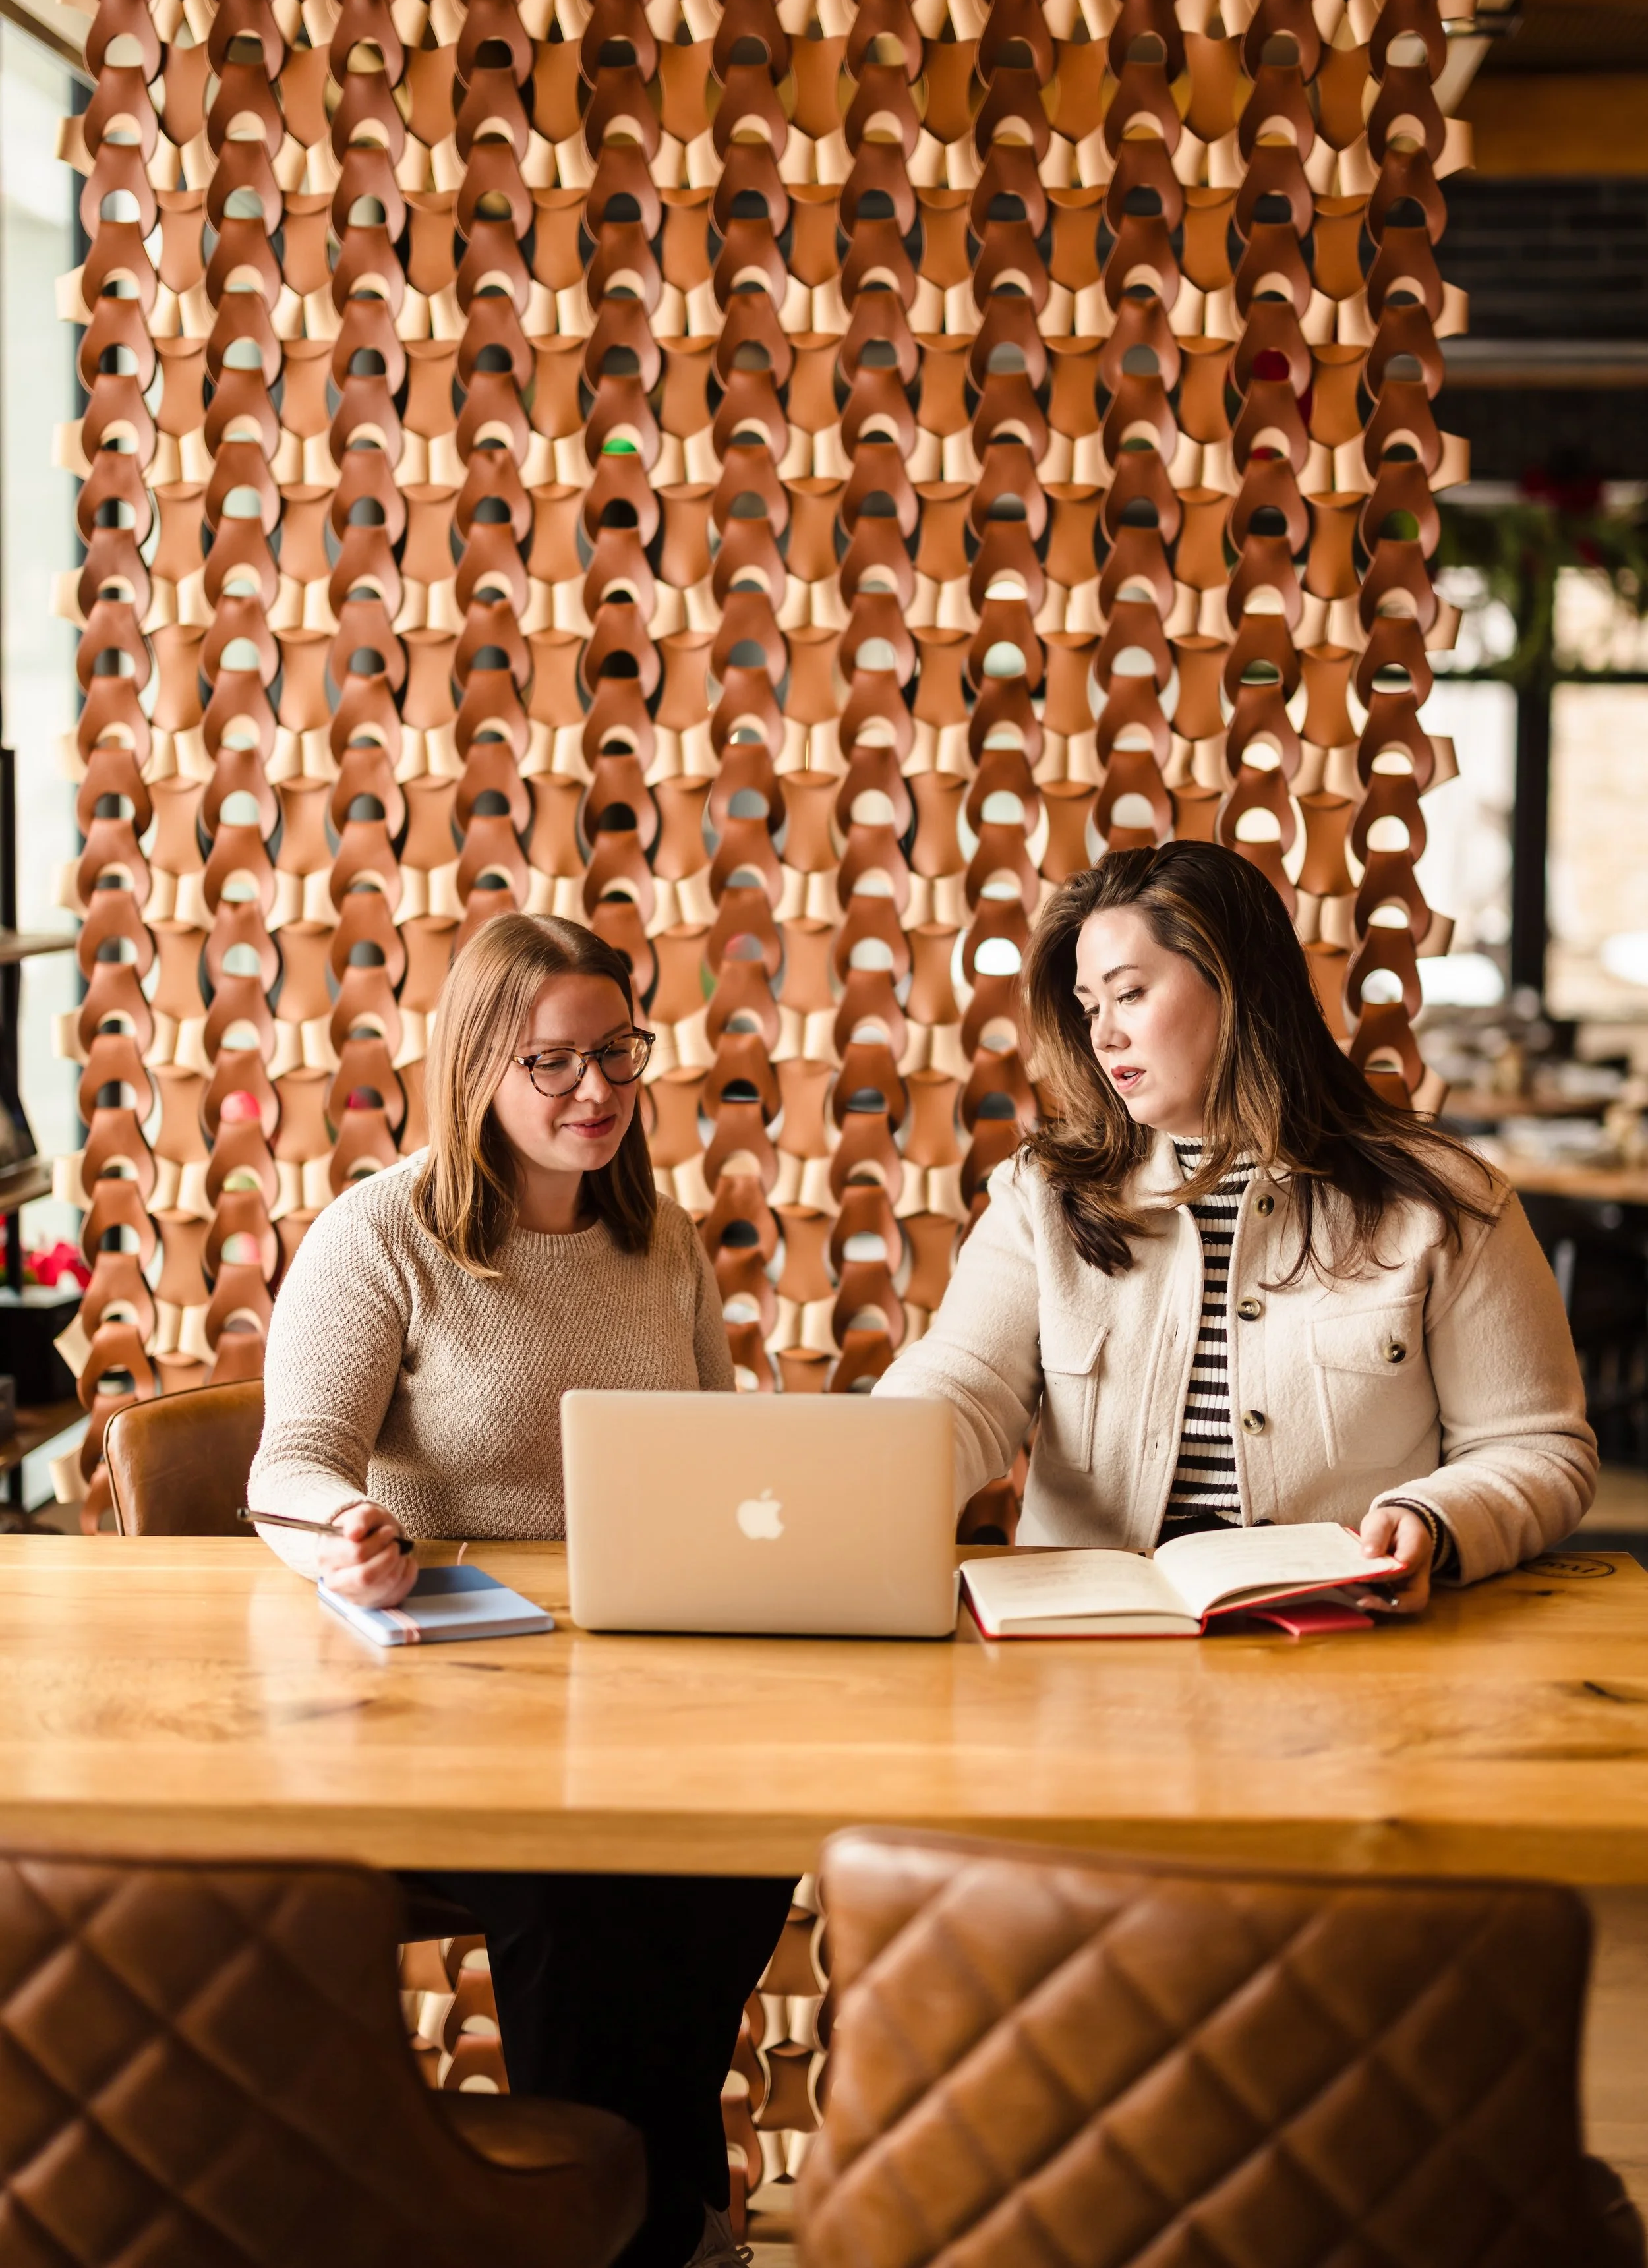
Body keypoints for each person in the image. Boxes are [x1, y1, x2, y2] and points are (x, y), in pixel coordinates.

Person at [250, 912, 789, 2268]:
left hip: (627, 1687)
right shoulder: (382, 1234)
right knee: (576, 1886)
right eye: (550, 1062)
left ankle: (646, 2195)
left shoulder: (658, 1239)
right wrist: (346, 1526)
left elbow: (718, 1452)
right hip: (436, 1698)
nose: (595, 1091)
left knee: (743, 1850)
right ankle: (627, 2226)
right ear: (476, 1065)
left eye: (615, 1053)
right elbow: (291, 1461)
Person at [877, 845, 1596, 1611]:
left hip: (1343, 1637)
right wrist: (871, 1470)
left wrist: (1435, 1518)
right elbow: (962, 1382)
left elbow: (1534, 1446)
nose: (1104, 1035)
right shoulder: (1044, 1192)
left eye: (1129, 994)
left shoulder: (1442, 1200)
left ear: (1237, 984)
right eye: (1090, 1006)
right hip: (1087, 1638)